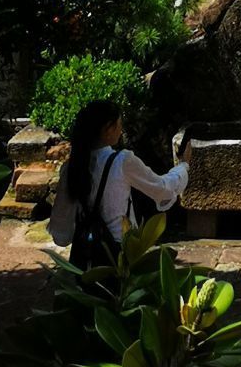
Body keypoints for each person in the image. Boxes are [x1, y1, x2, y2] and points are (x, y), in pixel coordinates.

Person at [49, 97, 189, 265]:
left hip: (84, 257)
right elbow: (162, 188)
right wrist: (183, 166)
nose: (121, 130)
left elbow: (60, 233)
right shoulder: (122, 161)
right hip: (119, 254)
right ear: (108, 129)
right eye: (119, 125)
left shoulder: (72, 166)